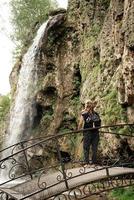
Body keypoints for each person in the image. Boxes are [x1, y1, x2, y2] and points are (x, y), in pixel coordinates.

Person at [78, 100, 101, 166]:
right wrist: (78, 129)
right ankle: (87, 162)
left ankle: (93, 162)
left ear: (92, 105)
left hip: (95, 132)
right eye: (87, 104)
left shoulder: (95, 114)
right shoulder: (84, 114)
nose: (88, 105)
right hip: (87, 132)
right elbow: (80, 123)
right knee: (86, 147)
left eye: (89, 104)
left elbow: (99, 122)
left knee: (94, 148)